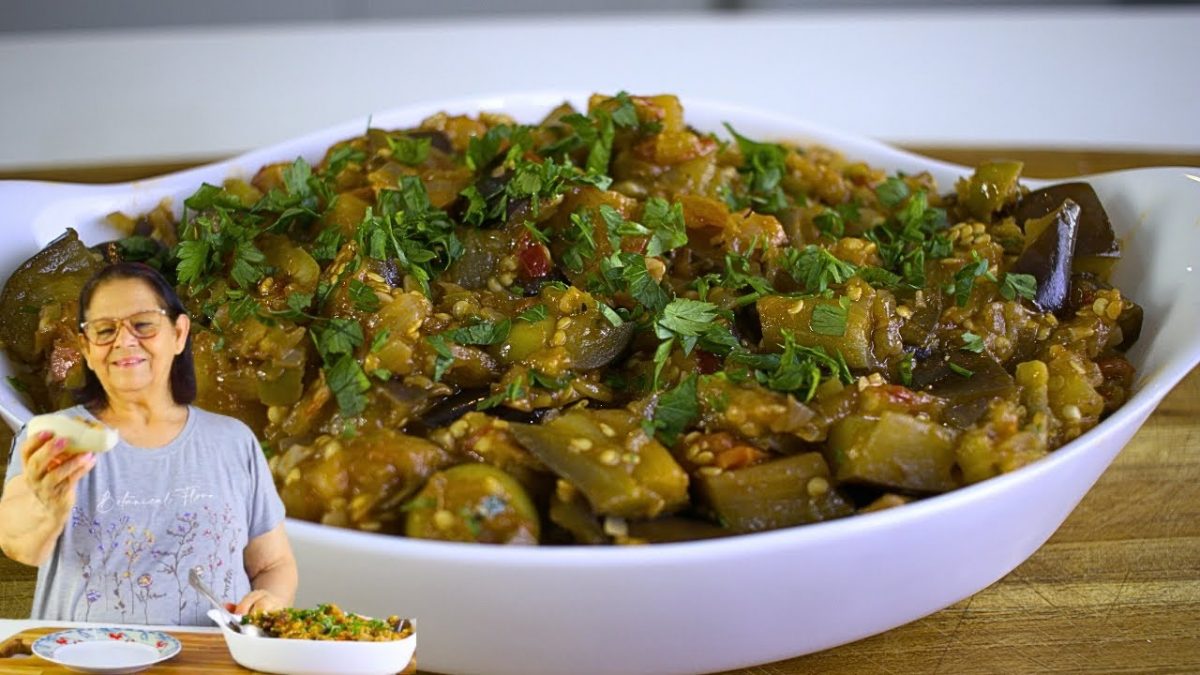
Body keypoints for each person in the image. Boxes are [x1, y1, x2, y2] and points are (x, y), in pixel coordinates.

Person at [0, 261, 298, 626]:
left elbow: (273, 564)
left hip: (213, 661)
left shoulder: (233, 441)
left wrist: (270, 600)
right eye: (105, 330)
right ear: (87, 348)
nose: (125, 341)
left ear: (179, 333)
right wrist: (46, 505)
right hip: (84, 661)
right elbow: (18, 545)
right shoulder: (52, 435)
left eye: (143, 324)